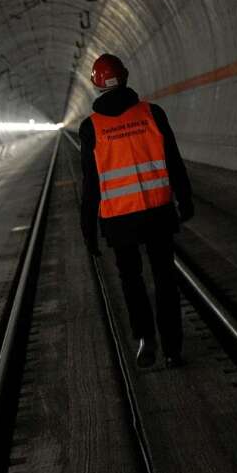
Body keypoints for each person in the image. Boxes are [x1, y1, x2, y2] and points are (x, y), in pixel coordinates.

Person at [79, 54, 194, 369]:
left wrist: (88, 230)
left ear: (96, 85)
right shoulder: (152, 113)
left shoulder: (91, 127)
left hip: (118, 219)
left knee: (131, 279)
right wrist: (185, 199)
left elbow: (91, 185)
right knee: (165, 279)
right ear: (126, 77)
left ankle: (145, 337)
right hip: (157, 211)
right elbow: (173, 159)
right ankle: (172, 348)